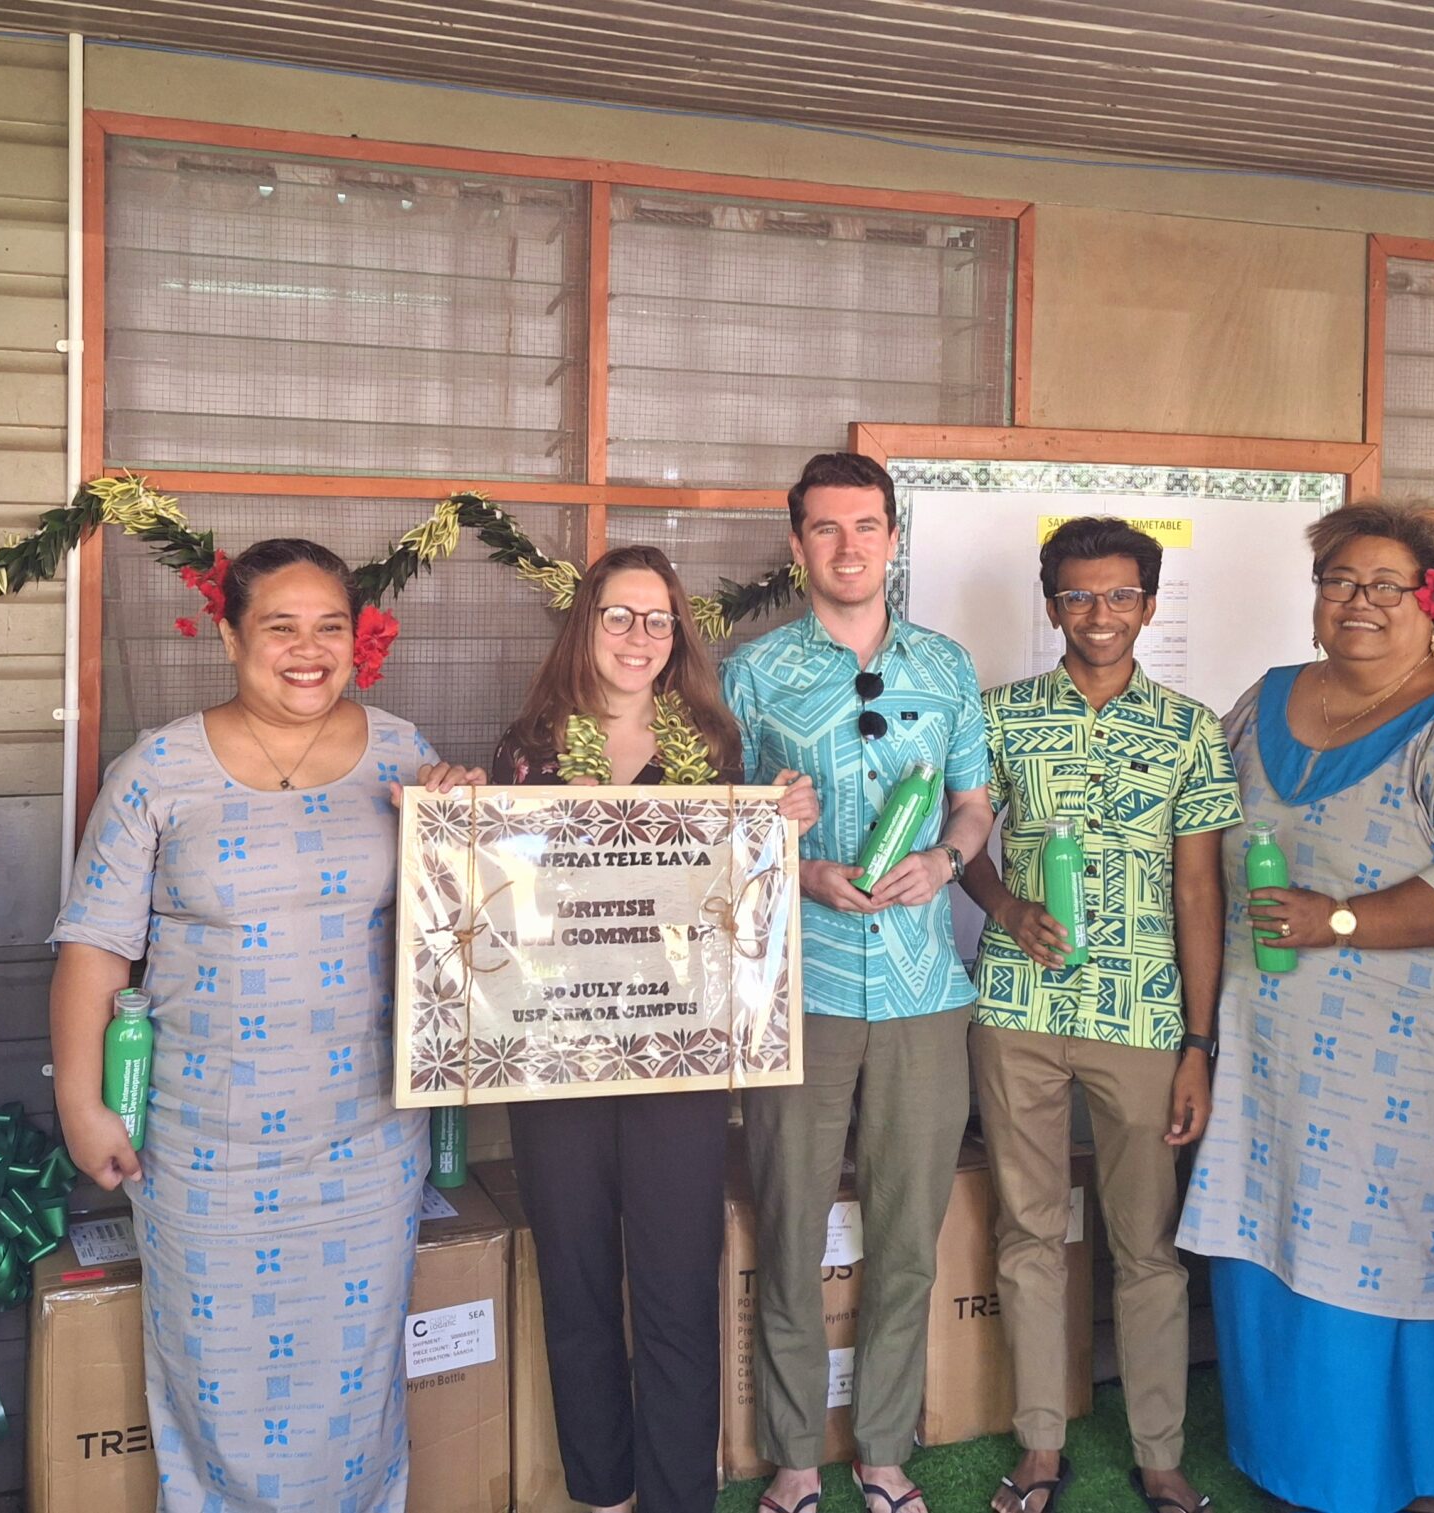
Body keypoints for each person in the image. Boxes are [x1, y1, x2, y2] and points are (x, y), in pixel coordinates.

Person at [1175, 500, 1434, 1513]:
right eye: (1338, 581)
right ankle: (1299, 1464)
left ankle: (1424, 1479)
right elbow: (1201, 844)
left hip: (1417, 1065)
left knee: (1399, 1262)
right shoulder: (1263, 701)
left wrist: (1338, 921)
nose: (1358, 602)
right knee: (1275, 1242)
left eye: (1387, 585)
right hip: (1270, 1054)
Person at [418, 546, 819, 1513]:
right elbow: (497, 887)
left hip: (674, 1053)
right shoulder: (529, 746)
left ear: (678, 634)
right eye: (617, 616)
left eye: (657, 619)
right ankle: (603, 1491)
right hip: (555, 1053)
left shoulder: (715, 747)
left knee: (681, 1282)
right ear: (584, 626)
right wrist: (455, 807)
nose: (639, 637)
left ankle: (681, 1496)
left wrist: (780, 824)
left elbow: (731, 893)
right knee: (578, 1274)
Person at [52, 538, 434, 1513]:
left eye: (330, 628)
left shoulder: (403, 755)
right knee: (214, 1378)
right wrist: (81, 1103)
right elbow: (94, 947)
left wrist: (465, 824)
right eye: (280, 627)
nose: (307, 650)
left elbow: (464, 921)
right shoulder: (157, 771)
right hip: (204, 1144)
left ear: (358, 640)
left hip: (364, 1136)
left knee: (357, 1380)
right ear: (229, 636)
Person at [723, 451, 993, 1513]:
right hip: (803, 990)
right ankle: (794, 1459)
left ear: (893, 537)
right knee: (788, 1228)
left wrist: (950, 859)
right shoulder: (752, 675)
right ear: (797, 546)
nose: (847, 546)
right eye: (825, 529)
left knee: (906, 1233)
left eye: (866, 525)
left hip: (928, 988)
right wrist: (798, 867)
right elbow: (723, 833)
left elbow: (973, 804)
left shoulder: (947, 667)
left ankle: (883, 1451)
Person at [959, 517, 1237, 1513]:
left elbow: (1200, 894)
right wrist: (1005, 908)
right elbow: (969, 845)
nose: (1099, 614)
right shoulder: (996, 717)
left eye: (1120, 595)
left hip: (1144, 1014)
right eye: (1078, 596)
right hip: (1017, 1003)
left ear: (1150, 605)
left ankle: (1157, 1453)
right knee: (1029, 1234)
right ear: (1051, 606)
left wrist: (1199, 1043)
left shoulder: (1189, 730)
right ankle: (1039, 1445)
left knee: (1145, 1245)